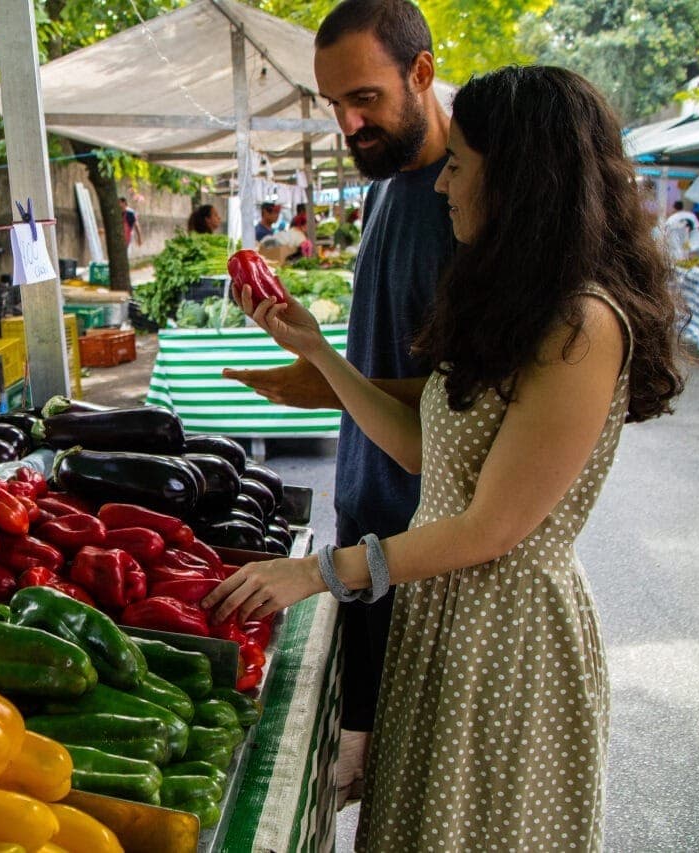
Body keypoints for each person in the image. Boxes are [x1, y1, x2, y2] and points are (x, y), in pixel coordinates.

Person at [207, 64, 683, 851]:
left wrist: (318, 572)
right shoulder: (513, 298)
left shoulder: (582, 326)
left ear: (521, 178)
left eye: (459, 164)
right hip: (444, 622)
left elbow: (489, 526)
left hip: (509, 640)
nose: (441, 185)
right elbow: (431, 450)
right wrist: (321, 356)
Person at [224, 0, 455, 805]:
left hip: (431, 548)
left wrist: (328, 380)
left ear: (422, 73)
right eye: (334, 105)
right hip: (367, 520)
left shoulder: (472, 202)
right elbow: (393, 357)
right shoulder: (390, 185)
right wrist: (317, 357)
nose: (348, 123)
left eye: (365, 99)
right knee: (370, 773)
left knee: (416, 786)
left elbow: (481, 406)